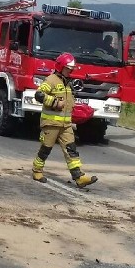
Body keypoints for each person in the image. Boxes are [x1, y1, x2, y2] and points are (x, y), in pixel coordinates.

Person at [31, 52, 98, 188]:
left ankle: (79, 177)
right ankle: (37, 170)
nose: (71, 71)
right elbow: (39, 95)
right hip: (51, 123)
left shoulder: (68, 83)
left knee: (71, 149)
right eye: (68, 68)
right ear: (61, 67)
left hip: (66, 125)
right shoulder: (51, 80)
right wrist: (55, 102)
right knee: (46, 149)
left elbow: (68, 102)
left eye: (71, 69)